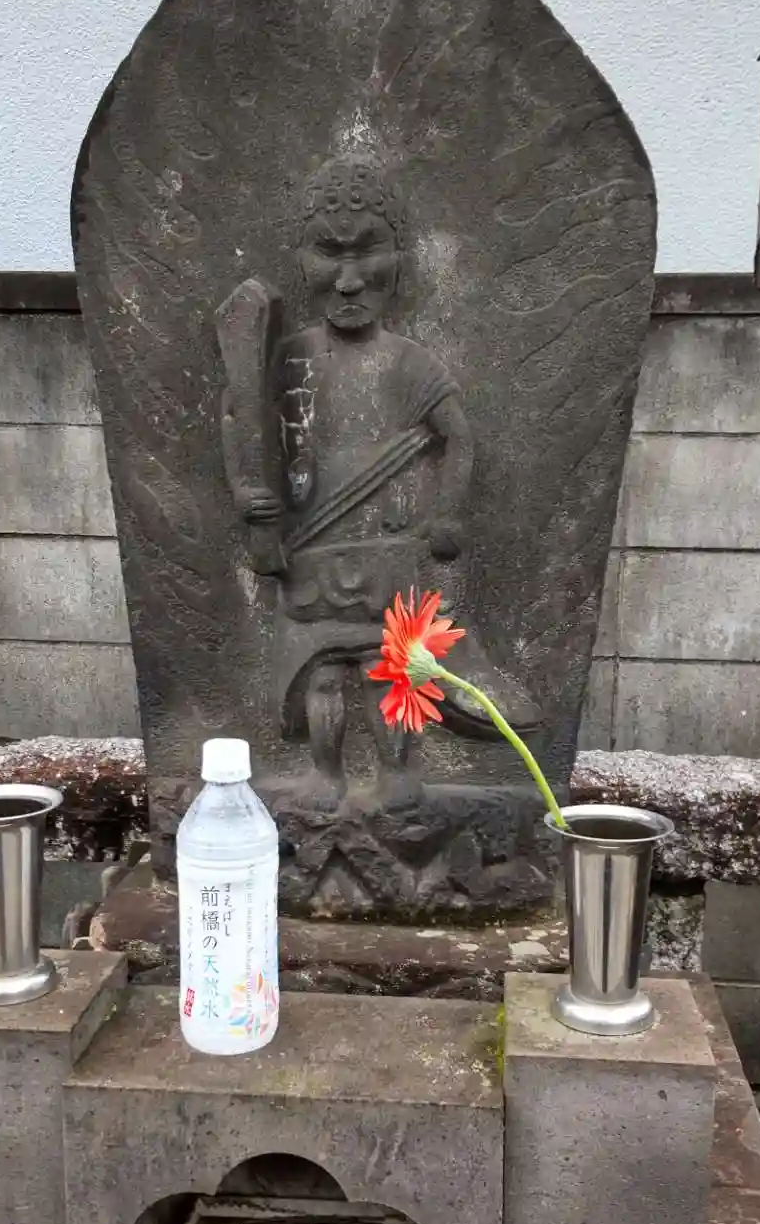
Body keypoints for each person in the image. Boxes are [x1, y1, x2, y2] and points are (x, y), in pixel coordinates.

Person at [220, 158, 539, 806]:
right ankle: (326, 773)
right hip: (310, 558)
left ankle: (396, 773)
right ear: (301, 261)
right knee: (320, 674)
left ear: (399, 262)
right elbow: (240, 421)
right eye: (327, 254)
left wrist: (447, 514)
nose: (348, 280)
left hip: (388, 558)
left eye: (367, 253)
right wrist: (248, 496)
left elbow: (458, 437)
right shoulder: (287, 360)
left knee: (388, 670)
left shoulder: (411, 364)